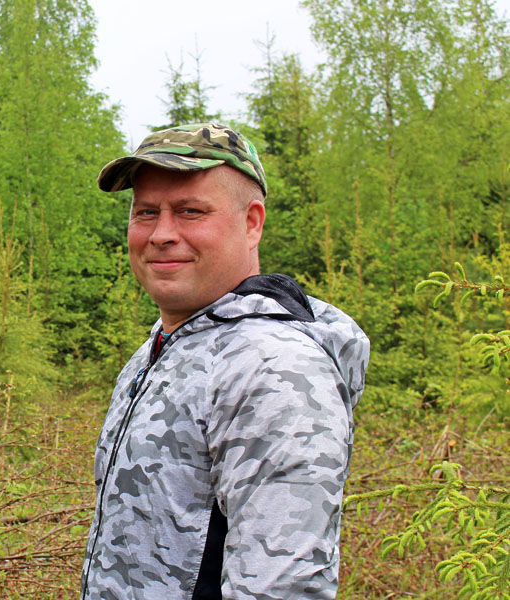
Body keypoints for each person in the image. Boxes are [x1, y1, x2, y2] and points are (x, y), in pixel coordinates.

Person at [80, 123, 370, 600]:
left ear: (251, 222)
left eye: (191, 212)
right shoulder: (164, 345)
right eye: (146, 212)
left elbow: (284, 587)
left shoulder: (274, 368)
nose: (162, 234)